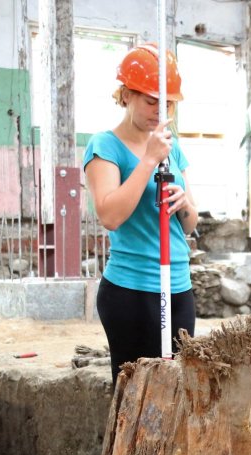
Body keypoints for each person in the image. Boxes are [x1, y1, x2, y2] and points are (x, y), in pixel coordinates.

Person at [83, 44, 198, 383]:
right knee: (135, 394)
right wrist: (147, 161)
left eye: (168, 104)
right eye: (150, 101)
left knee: (176, 390)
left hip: (178, 285)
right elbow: (110, 215)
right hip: (131, 291)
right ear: (126, 95)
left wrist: (184, 204)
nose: (159, 112)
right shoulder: (105, 146)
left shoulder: (171, 147)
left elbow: (190, 225)